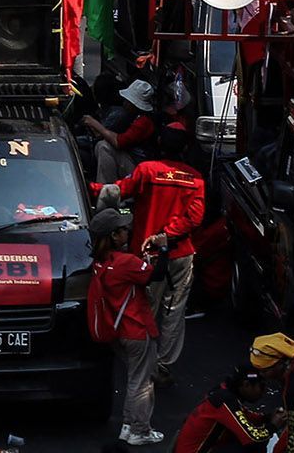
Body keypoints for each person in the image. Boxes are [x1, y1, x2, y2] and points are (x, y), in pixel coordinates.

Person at [99, 123, 206, 384]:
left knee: (145, 307)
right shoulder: (196, 179)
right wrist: (168, 235)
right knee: (175, 309)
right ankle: (164, 363)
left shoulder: (147, 171)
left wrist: (91, 190)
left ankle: (143, 359)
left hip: (147, 254)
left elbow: (120, 190)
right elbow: (194, 218)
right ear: (185, 148)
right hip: (180, 255)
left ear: (159, 142)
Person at [88, 205, 166, 447]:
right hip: (137, 329)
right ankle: (139, 430)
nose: (128, 232)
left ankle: (127, 426)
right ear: (113, 236)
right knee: (141, 383)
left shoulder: (102, 263)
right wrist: (164, 248)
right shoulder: (126, 263)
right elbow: (158, 276)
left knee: (134, 379)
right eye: (123, 230)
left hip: (117, 331)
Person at [174, 365, 275, 453]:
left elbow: (241, 415)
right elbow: (253, 438)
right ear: (246, 385)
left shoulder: (223, 390)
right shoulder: (225, 400)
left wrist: (267, 417)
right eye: (261, 386)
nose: (264, 391)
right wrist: (273, 426)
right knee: (255, 445)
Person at [85, 79, 157, 184]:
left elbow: (119, 142)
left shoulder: (143, 122)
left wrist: (95, 124)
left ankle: (106, 188)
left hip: (138, 167)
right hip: (132, 160)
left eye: (128, 101)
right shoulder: (133, 116)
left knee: (103, 146)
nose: (125, 103)